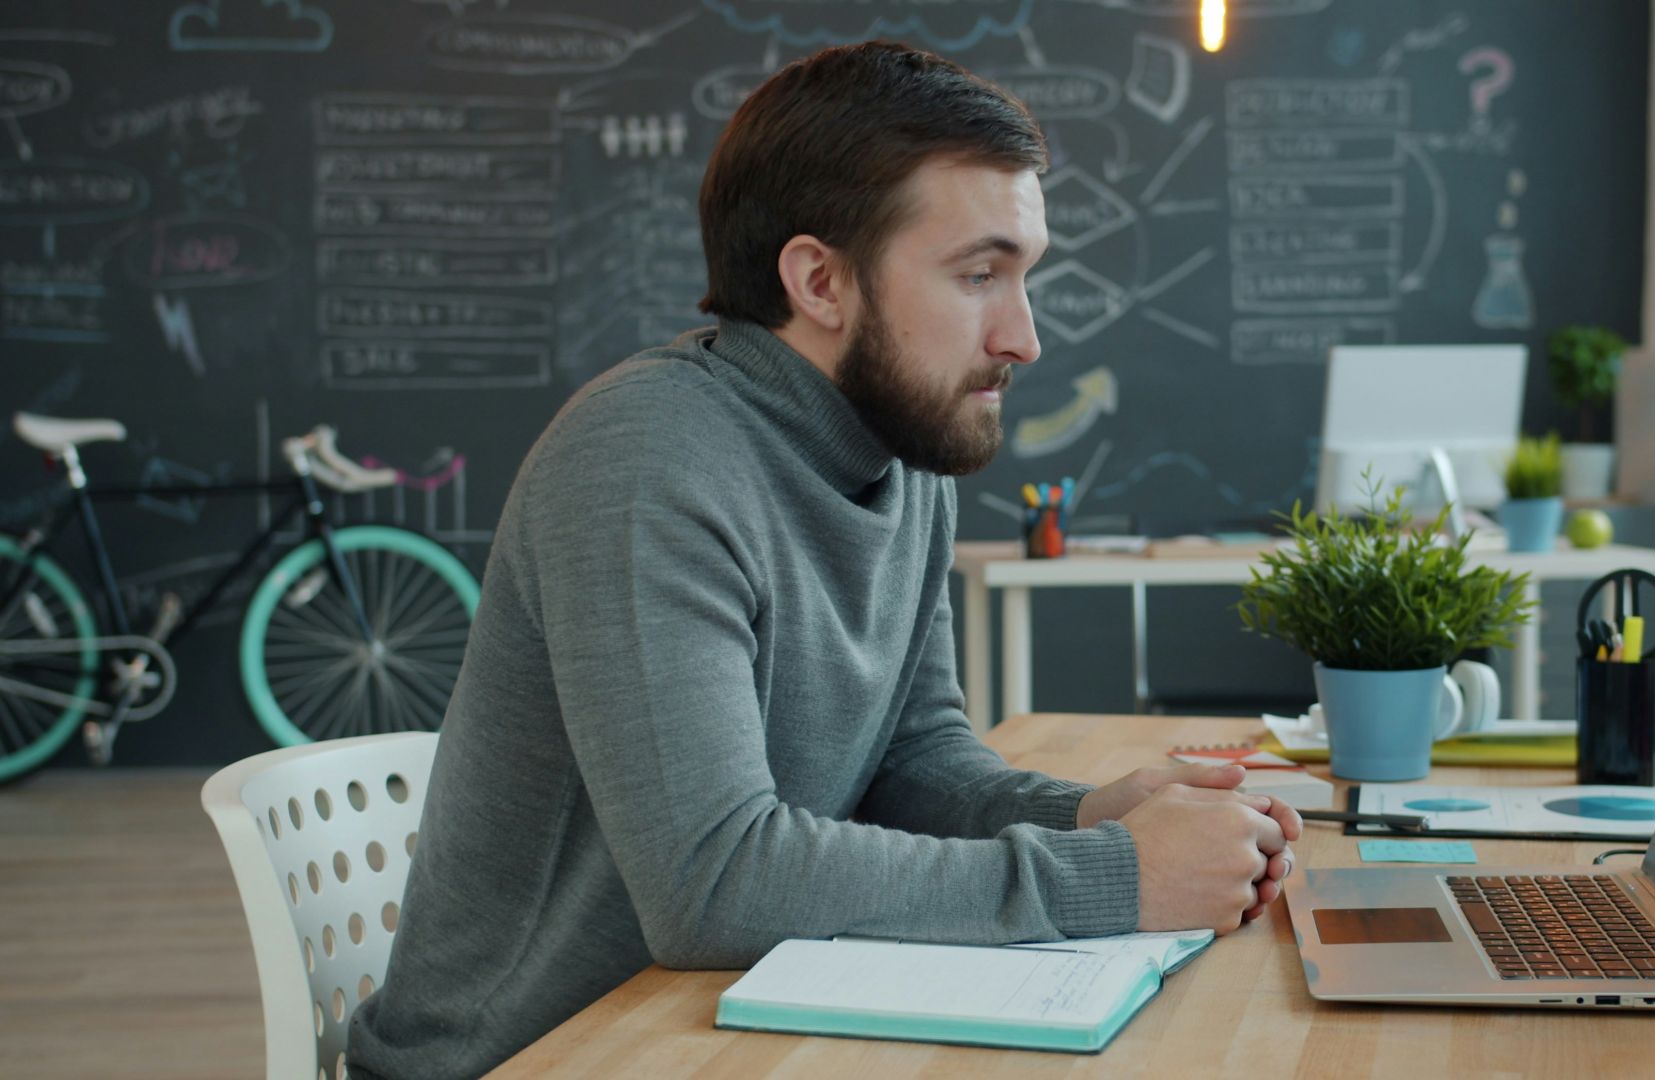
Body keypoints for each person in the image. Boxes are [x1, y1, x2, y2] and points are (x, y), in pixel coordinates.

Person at [348, 41, 1301, 1078]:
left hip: (722, 1022)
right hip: (535, 1054)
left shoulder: (905, 446)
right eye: (979, 274)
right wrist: (1113, 875)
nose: (1024, 337)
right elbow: (711, 884)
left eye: (1024, 276)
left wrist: (1088, 812)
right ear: (818, 281)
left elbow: (916, 765)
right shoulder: (645, 458)